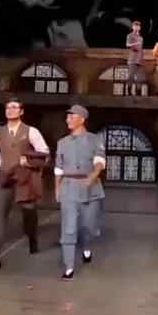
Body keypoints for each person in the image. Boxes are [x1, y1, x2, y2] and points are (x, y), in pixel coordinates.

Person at [0, 98, 50, 271]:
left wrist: (29, 161)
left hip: (25, 179)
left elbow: (44, 153)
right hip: (5, 177)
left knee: (29, 212)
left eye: (14, 107)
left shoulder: (31, 131)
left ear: (21, 111)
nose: (10, 110)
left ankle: (32, 237)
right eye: (8, 107)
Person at [54, 104, 106, 279]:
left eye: (72, 116)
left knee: (88, 226)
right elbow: (58, 168)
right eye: (67, 116)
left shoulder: (95, 139)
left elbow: (99, 161)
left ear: (82, 119)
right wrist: (57, 189)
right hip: (68, 187)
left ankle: (86, 246)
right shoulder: (62, 143)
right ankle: (69, 266)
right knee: (68, 228)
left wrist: (93, 176)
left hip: (91, 189)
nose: (67, 119)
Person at [125, 20, 147, 96]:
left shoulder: (141, 37)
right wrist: (135, 43)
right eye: (135, 26)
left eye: (138, 26)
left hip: (139, 59)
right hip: (132, 59)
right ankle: (129, 91)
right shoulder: (130, 35)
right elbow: (127, 45)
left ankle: (138, 92)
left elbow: (140, 48)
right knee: (131, 76)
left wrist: (142, 58)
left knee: (140, 77)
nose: (137, 27)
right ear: (133, 27)